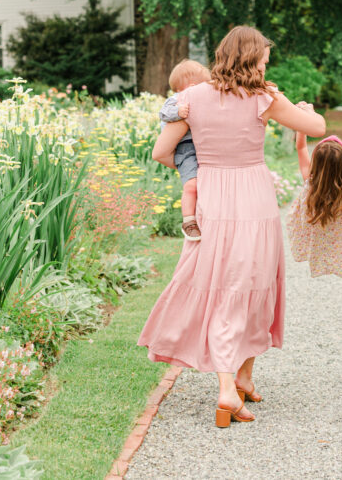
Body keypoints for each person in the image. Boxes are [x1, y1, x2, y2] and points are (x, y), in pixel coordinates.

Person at [138, 26, 326, 428]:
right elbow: (318, 127)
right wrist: (294, 105)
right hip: (254, 200)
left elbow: (160, 152)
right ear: (251, 60)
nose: (266, 65)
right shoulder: (265, 99)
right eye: (263, 59)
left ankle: (237, 379)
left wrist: (203, 172)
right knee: (253, 285)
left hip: (214, 199)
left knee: (222, 286)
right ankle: (228, 390)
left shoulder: (190, 99)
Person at [286, 119, 342, 281]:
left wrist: (303, 119)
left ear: (316, 164)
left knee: (322, 244)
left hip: (320, 240)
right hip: (341, 240)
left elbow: (301, 147)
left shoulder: (309, 181)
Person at [159, 59, 211, 241]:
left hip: (200, 145)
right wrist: (178, 112)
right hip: (185, 148)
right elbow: (163, 114)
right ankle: (188, 220)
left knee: (204, 184)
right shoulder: (176, 100)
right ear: (192, 87)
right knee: (191, 185)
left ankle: (204, 215)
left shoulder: (200, 100)